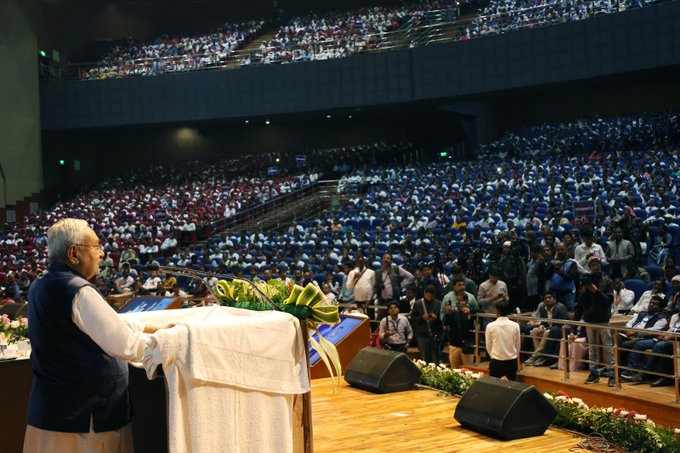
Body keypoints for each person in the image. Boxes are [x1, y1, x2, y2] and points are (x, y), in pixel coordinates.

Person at [24, 218, 169, 453]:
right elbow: (127, 346)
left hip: (53, 413)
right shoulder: (78, 291)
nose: (101, 254)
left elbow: (88, 328)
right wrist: (171, 345)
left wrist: (144, 329)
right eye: (96, 247)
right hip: (84, 420)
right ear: (74, 253)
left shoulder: (42, 284)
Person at [574, 257, 615, 386]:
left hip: (603, 319)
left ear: (600, 265)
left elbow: (608, 301)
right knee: (592, 348)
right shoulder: (587, 280)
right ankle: (594, 373)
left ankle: (612, 374)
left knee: (608, 348)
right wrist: (574, 322)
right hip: (589, 319)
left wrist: (595, 290)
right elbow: (581, 303)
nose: (594, 267)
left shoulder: (607, 281)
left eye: (596, 264)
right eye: (591, 265)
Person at [619, 295, 668, 381]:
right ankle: (613, 367)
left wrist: (636, 332)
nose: (651, 304)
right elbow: (630, 323)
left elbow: (652, 331)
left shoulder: (662, 319)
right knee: (617, 338)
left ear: (660, 308)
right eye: (650, 302)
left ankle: (631, 371)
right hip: (631, 334)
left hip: (644, 338)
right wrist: (629, 330)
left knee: (631, 344)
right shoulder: (642, 313)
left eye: (655, 304)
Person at [525, 291, 569, 367]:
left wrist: (545, 328)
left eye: (549, 297)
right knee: (535, 331)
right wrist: (541, 326)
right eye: (545, 298)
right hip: (549, 329)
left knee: (548, 331)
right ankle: (540, 356)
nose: (547, 299)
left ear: (554, 299)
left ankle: (536, 355)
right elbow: (543, 322)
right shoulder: (542, 308)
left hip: (559, 330)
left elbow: (561, 324)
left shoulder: (561, 307)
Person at [485, 301, 521, 380]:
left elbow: (488, 345)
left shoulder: (490, 326)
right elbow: (517, 345)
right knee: (510, 387)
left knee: (495, 388)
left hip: (496, 362)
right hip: (511, 362)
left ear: (497, 311)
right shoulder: (515, 325)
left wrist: (494, 356)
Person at [411, 285, 442, 365]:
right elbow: (413, 319)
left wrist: (436, 318)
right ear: (424, 293)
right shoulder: (418, 304)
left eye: (432, 296)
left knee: (435, 358)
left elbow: (442, 320)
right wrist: (422, 318)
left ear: (434, 295)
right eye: (428, 295)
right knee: (424, 359)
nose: (430, 297)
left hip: (435, 333)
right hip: (422, 334)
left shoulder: (438, 304)